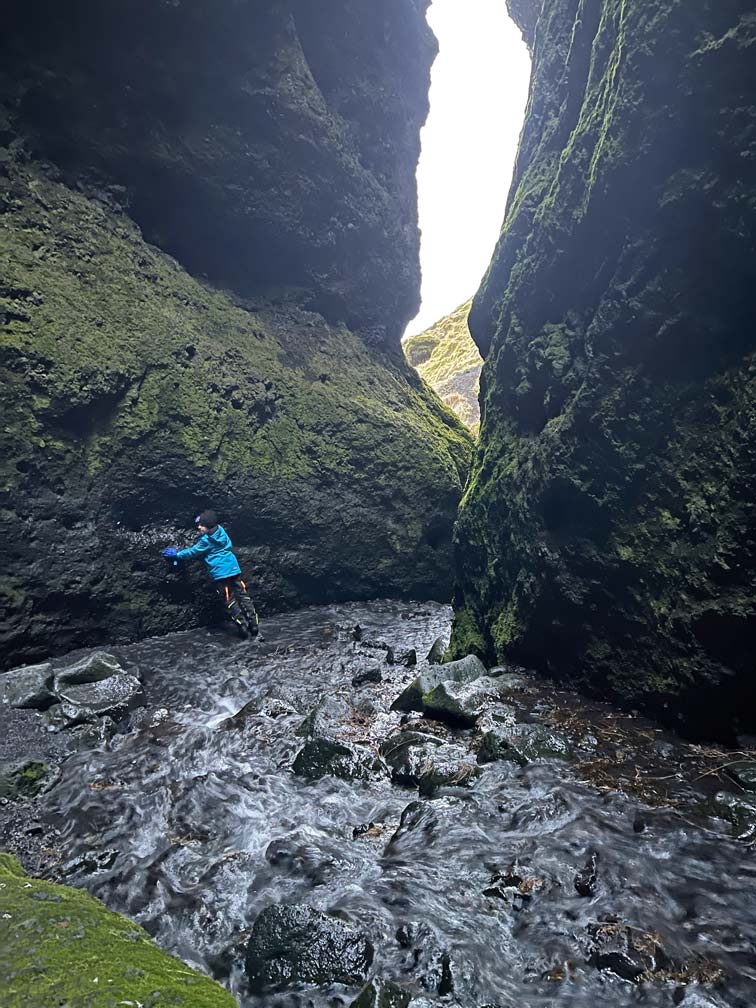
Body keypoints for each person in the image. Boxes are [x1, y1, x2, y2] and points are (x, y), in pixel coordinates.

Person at [162, 510, 260, 639]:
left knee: (229, 600)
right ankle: (254, 625)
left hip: (221, 574)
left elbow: (193, 552)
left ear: (208, 526)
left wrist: (177, 555)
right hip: (234, 570)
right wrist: (202, 519)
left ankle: (243, 627)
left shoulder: (206, 541)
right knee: (243, 595)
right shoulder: (221, 531)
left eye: (201, 525)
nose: (198, 527)